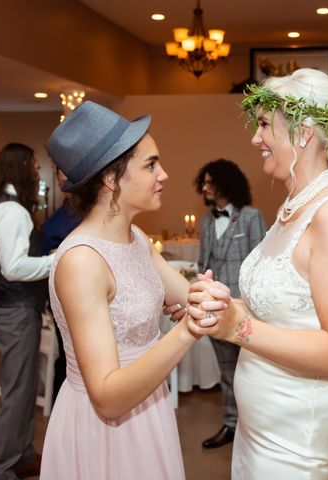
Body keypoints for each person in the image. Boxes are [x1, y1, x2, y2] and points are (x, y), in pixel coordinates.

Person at [186, 68, 328, 478]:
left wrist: (237, 329)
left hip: (299, 442)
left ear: (303, 132)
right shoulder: (292, 209)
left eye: (263, 125)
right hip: (259, 429)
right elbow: (286, 308)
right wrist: (224, 305)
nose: (255, 138)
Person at [41, 101, 201, 479]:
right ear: (111, 178)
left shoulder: (137, 239)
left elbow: (186, 293)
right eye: (150, 165)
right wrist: (186, 331)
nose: (163, 174)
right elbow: (108, 398)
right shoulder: (82, 261)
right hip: (104, 428)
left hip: (149, 407)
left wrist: (202, 297)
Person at [0, 143, 54, 480]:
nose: (38, 171)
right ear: (23, 166)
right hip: (16, 310)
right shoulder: (12, 213)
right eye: (35, 165)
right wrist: (57, 260)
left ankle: (22, 455)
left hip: (14, 309)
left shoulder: (6, 207)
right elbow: (14, 267)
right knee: (17, 393)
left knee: (23, 392)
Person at [194, 159, 266, 449]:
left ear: (227, 183)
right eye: (204, 182)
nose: (205, 187)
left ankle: (256, 426)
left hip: (244, 310)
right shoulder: (206, 220)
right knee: (226, 372)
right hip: (215, 309)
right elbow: (204, 262)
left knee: (251, 370)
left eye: (211, 182)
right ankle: (230, 423)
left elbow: (261, 264)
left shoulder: (251, 217)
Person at [40, 166, 82, 405]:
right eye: (61, 172)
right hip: (66, 304)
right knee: (71, 358)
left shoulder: (108, 215)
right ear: (57, 180)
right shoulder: (52, 225)